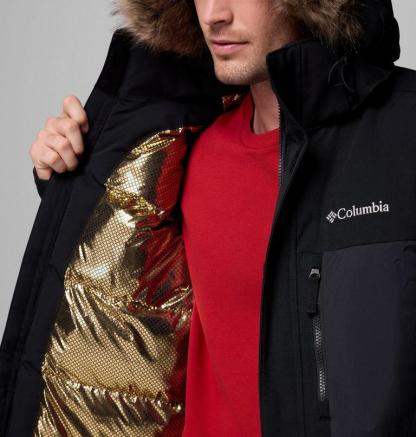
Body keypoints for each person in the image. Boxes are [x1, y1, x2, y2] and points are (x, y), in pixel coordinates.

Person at [1, 0, 415, 436]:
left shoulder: (403, 133)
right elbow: (127, 296)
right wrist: (75, 185)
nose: (214, 14)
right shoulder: (183, 150)